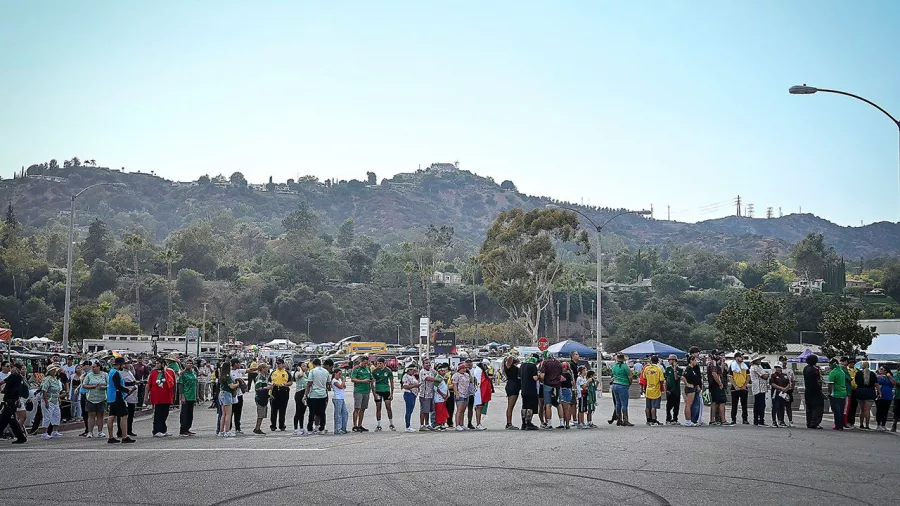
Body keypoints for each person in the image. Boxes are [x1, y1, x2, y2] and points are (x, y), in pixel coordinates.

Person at [105, 357, 135, 444]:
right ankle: (124, 436)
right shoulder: (116, 373)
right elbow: (118, 386)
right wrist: (127, 390)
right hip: (117, 395)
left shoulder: (111, 372)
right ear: (120, 364)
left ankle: (111, 437)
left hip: (111, 396)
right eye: (123, 364)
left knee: (112, 415)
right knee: (124, 415)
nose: (124, 365)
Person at [148, 357, 176, 437]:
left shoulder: (170, 372)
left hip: (167, 396)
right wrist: (146, 396)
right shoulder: (153, 373)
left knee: (165, 414)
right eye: (156, 363)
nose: (156, 365)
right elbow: (148, 385)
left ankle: (163, 429)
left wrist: (174, 395)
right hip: (157, 396)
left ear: (163, 364)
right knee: (158, 414)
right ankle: (156, 430)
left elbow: (173, 384)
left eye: (158, 363)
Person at [0, 363, 27, 444]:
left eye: (12, 367)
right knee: (8, 419)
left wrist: (17, 399)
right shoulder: (15, 377)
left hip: (10, 400)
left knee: (7, 418)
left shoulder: (16, 377)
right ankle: (21, 437)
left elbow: (17, 390)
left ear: (16, 368)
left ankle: (21, 437)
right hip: (11, 400)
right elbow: (3, 382)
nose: (11, 369)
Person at [82, 361, 108, 438]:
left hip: (101, 398)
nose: (92, 368)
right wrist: (92, 386)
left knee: (100, 415)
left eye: (94, 367)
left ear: (99, 367)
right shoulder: (89, 375)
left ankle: (100, 431)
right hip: (91, 398)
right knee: (91, 414)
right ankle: (90, 431)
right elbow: (84, 385)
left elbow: (109, 384)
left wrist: (103, 387)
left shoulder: (105, 375)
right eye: (92, 367)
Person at [538, 351, 563, 429]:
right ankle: (561, 423)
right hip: (557, 386)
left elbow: (542, 375)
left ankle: (549, 423)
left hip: (547, 385)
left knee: (548, 404)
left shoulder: (545, 363)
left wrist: (541, 379)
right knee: (559, 404)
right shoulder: (559, 363)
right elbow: (561, 374)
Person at [305, 358, 331, 434]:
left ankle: (310, 429)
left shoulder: (312, 371)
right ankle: (322, 428)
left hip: (313, 394)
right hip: (323, 394)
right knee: (322, 413)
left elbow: (309, 383)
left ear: (313, 364)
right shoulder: (326, 372)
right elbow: (329, 384)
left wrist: (306, 394)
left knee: (312, 413)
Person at [38, 364, 63, 440]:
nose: (55, 371)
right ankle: (44, 433)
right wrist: (46, 401)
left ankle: (54, 431)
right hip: (49, 400)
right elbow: (44, 390)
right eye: (53, 370)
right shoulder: (47, 379)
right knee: (47, 416)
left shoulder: (55, 378)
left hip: (55, 400)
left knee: (57, 415)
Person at [349, 356, 374, 432]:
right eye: (365, 363)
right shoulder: (356, 369)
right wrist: (363, 381)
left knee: (363, 408)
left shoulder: (368, 369)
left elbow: (370, 377)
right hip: (358, 390)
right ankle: (354, 425)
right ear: (361, 361)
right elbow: (353, 379)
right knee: (357, 408)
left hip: (366, 390)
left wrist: (371, 380)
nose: (366, 364)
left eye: (367, 363)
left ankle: (360, 425)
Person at [268, 359, 292, 432]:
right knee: (273, 410)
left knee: (282, 410)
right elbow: (268, 381)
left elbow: (291, 382)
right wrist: (270, 384)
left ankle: (282, 425)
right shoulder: (273, 372)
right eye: (277, 364)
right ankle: (273, 426)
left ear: (283, 364)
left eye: (279, 364)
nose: (278, 365)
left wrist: (285, 384)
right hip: (274, 391)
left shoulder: (286, 372)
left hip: (283, 391)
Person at [371, 358, 395, 431]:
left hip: (386, 390)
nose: (379, 365)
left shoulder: (388, 371)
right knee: (378, 408)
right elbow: (372, 383)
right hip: (378, 390)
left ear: (384, 363)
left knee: (388, 407)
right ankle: (378, 425)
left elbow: (391, 382)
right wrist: (374, 393)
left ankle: (391, 424)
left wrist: (391, 393)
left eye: (380, 363)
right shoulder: (375, 371)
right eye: (378, 363)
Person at [802, 354, 825, 429]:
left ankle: (809, 422)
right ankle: (815, 422)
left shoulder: (805, 368)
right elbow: (819, 380)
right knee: (818, 407)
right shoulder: (816, 369)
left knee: (809, 407)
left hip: (808, 389)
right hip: (816, 390)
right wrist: (820, 389)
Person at [611, 354, 634, 426]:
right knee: (624, 403)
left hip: (615, 385)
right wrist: (629, 383)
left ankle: (619, 419)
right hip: (623, 385)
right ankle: (625, 420)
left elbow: (613, 375)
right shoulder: (625, 367)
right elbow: (630, 377)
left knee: (618, 403)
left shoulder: (614, 366)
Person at [217, 361, 239, 437]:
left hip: (221, 393)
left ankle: (221, 431)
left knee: (223, 414)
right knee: (228, 414)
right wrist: (237, 384)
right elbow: (231, 386)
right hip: (227, 394)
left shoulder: (221, 375)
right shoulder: (227, 376)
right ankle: (227, 431)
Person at [417, 358, 440, 431]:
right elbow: (427, 378)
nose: (428, 364)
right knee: (423, 410)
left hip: (431, 394)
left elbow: (438, 374)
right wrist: (437, 380)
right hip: (424, 394)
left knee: (428, 410)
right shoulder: (422, 371)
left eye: (429, 363)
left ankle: (427, 424)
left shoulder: (432, 371)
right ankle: (421, 425)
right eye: (426, 363)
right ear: (423, 364)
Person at [642, 354, 665, 426]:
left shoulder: (646, 368)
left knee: (647, 406)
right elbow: (661, 380)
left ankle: (648, 420)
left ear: (651, 361)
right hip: (656, 390)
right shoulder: (658, 369)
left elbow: (644, 377)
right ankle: (654, 420)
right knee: (654, 406)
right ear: (657, 361)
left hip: (648, 389)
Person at [518, 354, 540, 430]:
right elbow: (535, 378)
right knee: (530, 406)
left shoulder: (522, 365)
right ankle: (529, 423)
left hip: (524, 388)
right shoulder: (533, 366)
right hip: (531, 389)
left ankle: (523, 423)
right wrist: (538, 376)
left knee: (524, 405)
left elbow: (519, 376)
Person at [178, 359, 198, 436]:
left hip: (192, 396)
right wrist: (182, 396)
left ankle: (188, 429)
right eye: (187, 363)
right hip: (186, 395)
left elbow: (195, 384)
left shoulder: (193, 373)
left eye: (190, 363)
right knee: (184, 413)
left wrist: (196, 396)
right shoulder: (183, 374)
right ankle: (183, 430)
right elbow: (181, 385)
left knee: (190, 414)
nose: (189, 364)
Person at [118, 360, 138, 438]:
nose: (128, 365)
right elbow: (122, 384)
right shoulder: (120, 373)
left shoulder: (130, 372)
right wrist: (132, 384)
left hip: (132, 396)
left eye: (129, 363)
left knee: (131, 415)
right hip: (126, 396)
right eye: (126, 363)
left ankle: (129, 430)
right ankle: (120, 431)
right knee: (123, 415)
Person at [854, 361, 876, 430]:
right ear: (868, 366)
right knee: (867, 410)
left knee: (862, 409)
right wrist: (879, 392)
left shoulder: (858, 373)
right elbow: (876, 384)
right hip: (869, 392)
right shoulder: (872, 374)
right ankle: (867, 425)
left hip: (860, 391)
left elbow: (856, 382)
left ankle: (861, 424)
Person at [706, 350, 727, 426]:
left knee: (715, 402)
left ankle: (712, 420)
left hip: (713, 385)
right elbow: (714, 374)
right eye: (717, 355)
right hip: (716, 385)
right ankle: (723, 420)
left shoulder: (713, 363)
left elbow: (720, 372)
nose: (719, 356)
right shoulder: (713, 363)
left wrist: (722, 362)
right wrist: (720, 383)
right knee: (721, 402)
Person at [729, 352, 749, 425]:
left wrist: (744, 385)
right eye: (740, 357)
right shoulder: (732, 366)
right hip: (735, 388)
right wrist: (735, 386)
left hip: (744, 388)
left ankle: (745, 419)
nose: (742, 358)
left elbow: (748, 377)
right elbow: (730, 377)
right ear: (736, 358)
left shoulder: (745, 366)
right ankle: (733, 419)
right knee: (734, 405)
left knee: (744, 405)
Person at [749, 355, 769, 427]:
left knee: (760, 404)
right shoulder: (755, 367)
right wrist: (767, 374)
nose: (760, 360)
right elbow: (764, 376)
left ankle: (759, 419)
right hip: (758, 388)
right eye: (758, 359)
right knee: (759, 404)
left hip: (762, 387)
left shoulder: (759, 367)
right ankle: (759, 420)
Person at [682, 355, 702, 427]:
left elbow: (695, 379)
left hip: (693, 387)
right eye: (695, 360)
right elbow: (683, 377)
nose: (696, 362)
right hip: (690, 389)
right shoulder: (689, 368)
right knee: (688, 405)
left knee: (690, 405)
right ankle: (688, 421)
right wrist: (687, 384)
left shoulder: (693, 369)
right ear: (691, 361)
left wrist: (697, 385)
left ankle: (690, 420)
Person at [828, 358, 847, 431]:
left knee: (836, 411)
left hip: (836, 393)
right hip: (843, 393)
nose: (829, 366)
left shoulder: (833, 372)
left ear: (833, 364)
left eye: (830, 364)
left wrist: (829, 393)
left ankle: (837, 425)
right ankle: (841, 425)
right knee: (841, 411)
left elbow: (830, 384)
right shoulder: (842, 371)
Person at [769, 362, 791, 427]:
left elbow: (789, 383)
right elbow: (772, 384)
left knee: (782, 407)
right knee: (775, 406)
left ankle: (781, 421)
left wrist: (786, 388)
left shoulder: (785, 375)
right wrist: (781, 388)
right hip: (776, 392)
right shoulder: (773, 375)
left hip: (783, 393)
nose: (778, 369)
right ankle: (774, 421)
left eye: (779, 367)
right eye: (776, 367)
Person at [875, 366, 896, 431]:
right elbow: (875, 383)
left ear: (886, 371)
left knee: (885, 410)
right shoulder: (878, 376)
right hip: (880, 395)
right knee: (879, 410)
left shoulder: (889, 377)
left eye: (881, 369)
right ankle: (878, 424)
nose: (880, 370)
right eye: (879, 369)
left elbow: (894, 383)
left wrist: (889, 376)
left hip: (887, 395)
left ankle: (883, 424)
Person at [502, 355, 521, 430]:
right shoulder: (509, 366)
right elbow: (510, 358)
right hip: (512, 386)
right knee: (510, 406)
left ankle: (509, 423)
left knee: (511, 406)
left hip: (514, 385)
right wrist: (511, 356)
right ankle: (508, 423)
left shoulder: (512, 366)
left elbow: (518, 361)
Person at [253, 363, 272, 435]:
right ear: (263, 369)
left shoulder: (265, 376)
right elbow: (257, 388)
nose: (267, 369)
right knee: (260, 414)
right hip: (260, 397)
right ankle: (257, 428)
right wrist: (267, 387)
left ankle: (257, 428)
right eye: (266, 368)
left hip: (264, 397)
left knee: (262, 414)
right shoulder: (260, 377)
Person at [230, 359, 247, 434]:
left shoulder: (239, 371)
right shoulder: (229, 372)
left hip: (239, 394)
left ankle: (238, 427)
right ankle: (228, 427)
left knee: (238, 412)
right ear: (235, 364)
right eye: (238, 363)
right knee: (230, 412)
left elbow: (248, 370)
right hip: (232, 395)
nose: (239, 364)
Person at [452, 363, 471, 431]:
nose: (464, 369)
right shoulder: (456, 375)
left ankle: (462, 424)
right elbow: (454, 385)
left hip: (466, 393)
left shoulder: (466, 375)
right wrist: (456, 393)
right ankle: (457, 424)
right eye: (463, 368)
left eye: (465, 368)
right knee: (459, 410)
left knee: (463, 410)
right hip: (460, 393)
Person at [663, 354, 682, 425]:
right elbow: (666, 379)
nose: (669, 361)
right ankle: (668, 418)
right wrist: (666, 389)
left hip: (676, 390)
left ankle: (675, 419)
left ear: (674, 361)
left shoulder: (679, 369)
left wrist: (674, 369)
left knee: (676, 406)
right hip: (670, 390)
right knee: (668, 406)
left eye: (670, 360)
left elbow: (676, 378)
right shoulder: (667, 369)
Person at [401, 364, 420, 432]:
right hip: (409, 393)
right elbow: (405, 386)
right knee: (408, 410)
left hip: (413, 394)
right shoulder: (406, 376)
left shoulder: (413, 376)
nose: (413, 371)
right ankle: (407, 426)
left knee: (410, 410)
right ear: (408, 370)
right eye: (412, 370)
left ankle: (408, 425)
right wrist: (415, 386)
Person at [331, 368, 349, 435]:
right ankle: (337, 429)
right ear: (335, 373)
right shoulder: (334, 380)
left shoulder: (339, 380)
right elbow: (341, 387)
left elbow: (344, 386)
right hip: (337, 398)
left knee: (345, 413)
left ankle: (343, 428)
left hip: (341, 398)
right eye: (339, 374)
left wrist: (342, 381)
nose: (340, 375)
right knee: (338, 414)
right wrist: (343, 380)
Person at [292, 362, 308, 434]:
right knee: (298, 411)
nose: (305, 367)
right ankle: (295, 429)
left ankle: (301, 428)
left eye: (306, 366)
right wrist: (300, 369)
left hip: (305, 393)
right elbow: (300, 375)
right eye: (303, 366)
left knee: (302, 412)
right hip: (299, 393)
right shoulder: (297, 373)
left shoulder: (306, 374)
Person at [433, 365, 450, 431]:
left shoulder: (442, 378)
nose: (443, 372)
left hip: (443, 398)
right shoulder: (437, 378)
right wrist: (442, 394)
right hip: (439, 398)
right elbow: (435, 388)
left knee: (443, 411)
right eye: (442, 371)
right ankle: (439, 424)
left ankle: (442, 424)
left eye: (444, 371)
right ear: (438, 371)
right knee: (439, 412)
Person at [845, 357, 859, 429]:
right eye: (850, 362)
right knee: (848, 407)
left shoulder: (857, 371)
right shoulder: (845, 370)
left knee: (854, 407)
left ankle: (852, 422)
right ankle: (846, 421)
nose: (852, 364)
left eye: (853, 362)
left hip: (855, 390)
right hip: (848, 390)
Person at [558, 362, 574, 429]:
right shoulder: (569, 374)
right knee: (565, 409)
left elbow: (561, 379)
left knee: (565, 409)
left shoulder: (566, 374)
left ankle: (566, 424)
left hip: (565, 391)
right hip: (567, 391)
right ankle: (565, 423)